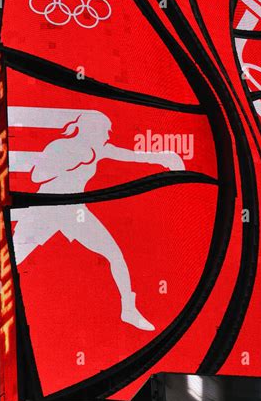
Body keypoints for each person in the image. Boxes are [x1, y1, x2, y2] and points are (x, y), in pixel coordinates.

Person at [12, 111, 185, 331]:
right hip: (47, 208)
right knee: (14, 256)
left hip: (74, 211)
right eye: (104, 130)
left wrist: (162, 157)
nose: (107, 135)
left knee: (114, 253)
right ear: (90, 130)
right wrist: (71, 162)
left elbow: (131, 155)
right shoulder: (60, 146)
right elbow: (37, 175)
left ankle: (129, 310)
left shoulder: (99, 150)